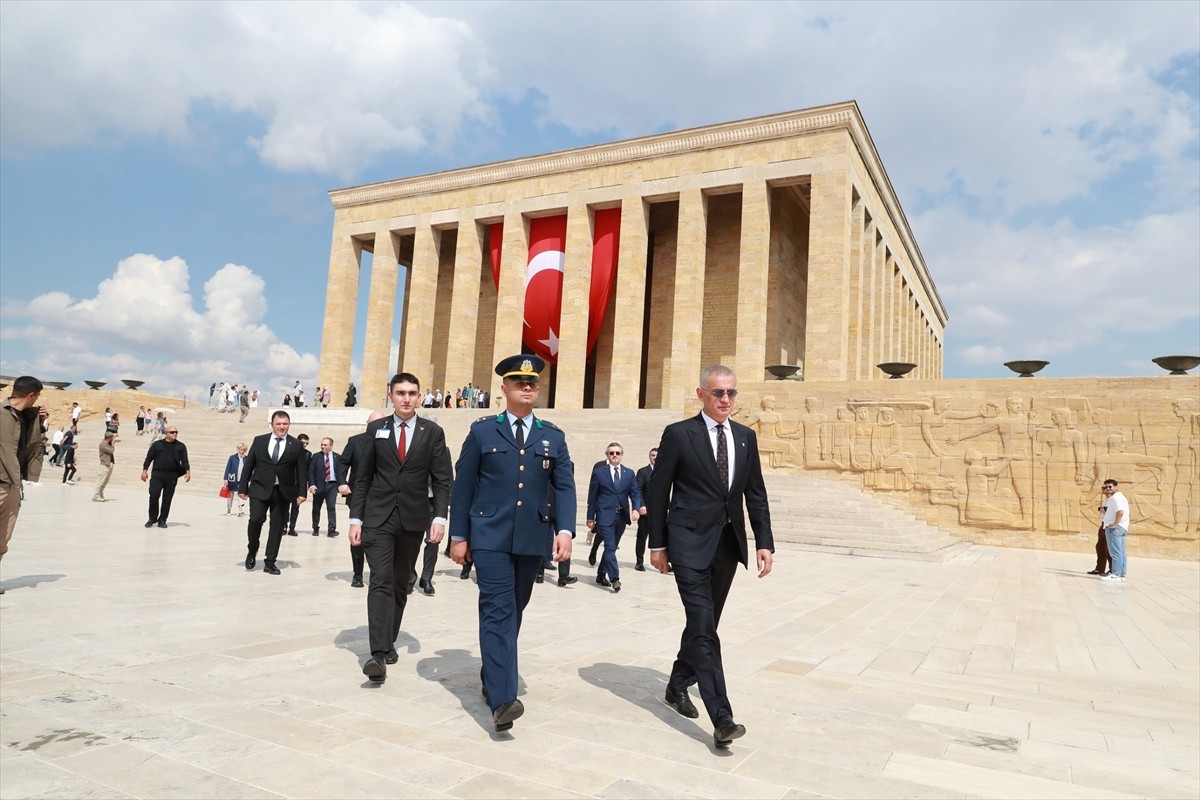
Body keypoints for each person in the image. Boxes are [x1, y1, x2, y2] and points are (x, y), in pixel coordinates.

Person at [646, 364, 774, 749]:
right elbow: (658, 491)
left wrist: (764, 541)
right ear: (701, 394)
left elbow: (755, 493)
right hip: (687, 543)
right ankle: (723, 717)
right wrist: (657, 544)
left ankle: (676, 684)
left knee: (706, 623)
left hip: (727, 545)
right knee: (703, 625)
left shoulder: (745, 438)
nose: (725, 401)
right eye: (718, 393)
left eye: (731, 394)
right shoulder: (679, 434)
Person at [449, 354, 576, 733]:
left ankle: (492, 673)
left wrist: (565, 529)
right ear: (504, 389)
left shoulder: (553, 436)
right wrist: (459, 536)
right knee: (498, 610)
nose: (527, 387)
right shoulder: (483, 432)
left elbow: (564, 487)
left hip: (531, 538)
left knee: (514, 610)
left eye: (533, 383)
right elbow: (463, 485)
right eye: (520, 382)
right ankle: (504, 699)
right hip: (489, 536)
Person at [349, 373, 453, 684]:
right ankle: (378, 653)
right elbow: (363, 477)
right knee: (379, 578)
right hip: (377, 517)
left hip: (413, 518)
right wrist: (356, 518)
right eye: (400, 393)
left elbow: (442, 479)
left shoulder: (432, 432)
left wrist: (440, 517)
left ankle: (389, 638)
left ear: (420, 397)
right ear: (390, 396)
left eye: (412, 393)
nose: (406, 398)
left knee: (399, 582)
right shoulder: (375, 429)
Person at [239, 411, 307, 575]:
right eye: (279, 424)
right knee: (255, 520)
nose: (282, 427)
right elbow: (249, 464)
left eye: (285, 424)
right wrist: (242, 487)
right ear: (272, 424)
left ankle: (270, 561)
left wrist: (302, 492)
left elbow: (301, 471)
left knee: (277, 527)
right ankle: (252, 548)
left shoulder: (296, 445)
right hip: (259, 488)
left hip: (283, 491)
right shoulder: (260, 440)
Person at [1, 376, 45, 592]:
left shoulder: (29, 417)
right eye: (37, 396)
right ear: (31, 395)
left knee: (3, 536)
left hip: (13, 484)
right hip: (1, 479)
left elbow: (33, 446)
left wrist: (38, 420)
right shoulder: (1, 414)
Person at [340, 411, 389, 588]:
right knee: (357, 533)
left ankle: (380, 572)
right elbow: (343, 463)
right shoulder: (355, 441)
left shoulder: (390, 440)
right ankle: (358, 573)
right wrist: (342, 482)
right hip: (359, 495)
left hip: (383, 497)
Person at [586, 442, 641, 592]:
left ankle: (600, 574)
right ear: (607, 455)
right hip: (604, 515)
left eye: (617, 453)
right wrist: (590, 517)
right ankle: (615, 579)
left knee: (611, 549)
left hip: (621, 517)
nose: (615, 455)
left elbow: (635, 493)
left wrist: (636, 508)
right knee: (610, 546)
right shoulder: (600, 472)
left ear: (622, 455)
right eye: (611, 453)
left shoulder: (629, 473)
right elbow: (593, 496)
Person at [141, 424, 191, 527]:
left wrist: (188, 471)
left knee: (167, 499)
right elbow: (149, 458)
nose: (175, 434)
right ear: (166, 433)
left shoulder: (181, 446)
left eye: (176, 432)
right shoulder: (157, 444)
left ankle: (162, 520)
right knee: (154, 495)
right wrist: (144, 470)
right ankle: (152, 518)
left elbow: (185, 460)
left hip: (172, 476)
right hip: (157, 475)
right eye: (172, 432)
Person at [308, 437, 342, 537]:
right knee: (316, 508)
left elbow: (340, 473)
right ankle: (315, 527)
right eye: (322, 444)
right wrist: (312, 485)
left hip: (332, 485)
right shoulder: (316, 456)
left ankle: (331, 529)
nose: (323, 446)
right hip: (319, 485)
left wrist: (340, 485)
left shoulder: (337, 457)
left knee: (331, 507)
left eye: (325, 445)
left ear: (331, 446)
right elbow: (311, 472)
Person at [1101, 479, 1130, 582]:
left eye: (1110, 487)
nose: (1108, 489)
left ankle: (1115, 574)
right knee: (1121, 552)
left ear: (1116, 487)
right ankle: (1122, 574)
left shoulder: (1115, 498)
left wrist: (1115, 524)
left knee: (1115, 552)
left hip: (1116, 528)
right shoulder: (1122, 497)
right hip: (1122, 527)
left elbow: (1120, 512)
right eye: (1106, 487)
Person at [633, 448, 657, 571]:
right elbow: (638, 490)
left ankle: (664, 562)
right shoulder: (643, 472)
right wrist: (641, 505)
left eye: (657, 455)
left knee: (663, 537)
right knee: (642, 537)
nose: (655, 457)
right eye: (653, 455)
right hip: (646, 511)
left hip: (660, 512)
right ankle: (639, 562)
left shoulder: (664, 471)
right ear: (649, 457)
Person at [288, 434, 313, 536]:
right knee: (284, 506)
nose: (305, 445)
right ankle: (284, 526)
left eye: (307, 443)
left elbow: (307, 471)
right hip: (288, 482)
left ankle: (292, 527)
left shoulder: (308, 454)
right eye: (303, 442)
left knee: (295, 507)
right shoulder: (290, 450)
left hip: (299, 484)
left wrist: (306, 483)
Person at [223, 443, 248, 516]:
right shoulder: (232, 457)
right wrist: (225, 478)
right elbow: (228, 467)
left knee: (241, 494)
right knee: (230, 495)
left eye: (244, 450)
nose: (242, 451)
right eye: (241, 449)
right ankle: (229, 509)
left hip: (242, 479)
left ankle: (240, 509)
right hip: (232, 478)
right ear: (238, 449)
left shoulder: (246, 458)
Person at [94, 432, 116, 501]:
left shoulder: (107, 444)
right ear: (109, 437)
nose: (113, 438)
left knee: (105, 481)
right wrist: (113, 444)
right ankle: (96, 495)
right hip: (104, 464)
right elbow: (111, 451)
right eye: (112, 437)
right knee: (100, 480)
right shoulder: (103, 444)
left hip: (109, 463)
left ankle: (101, 494)